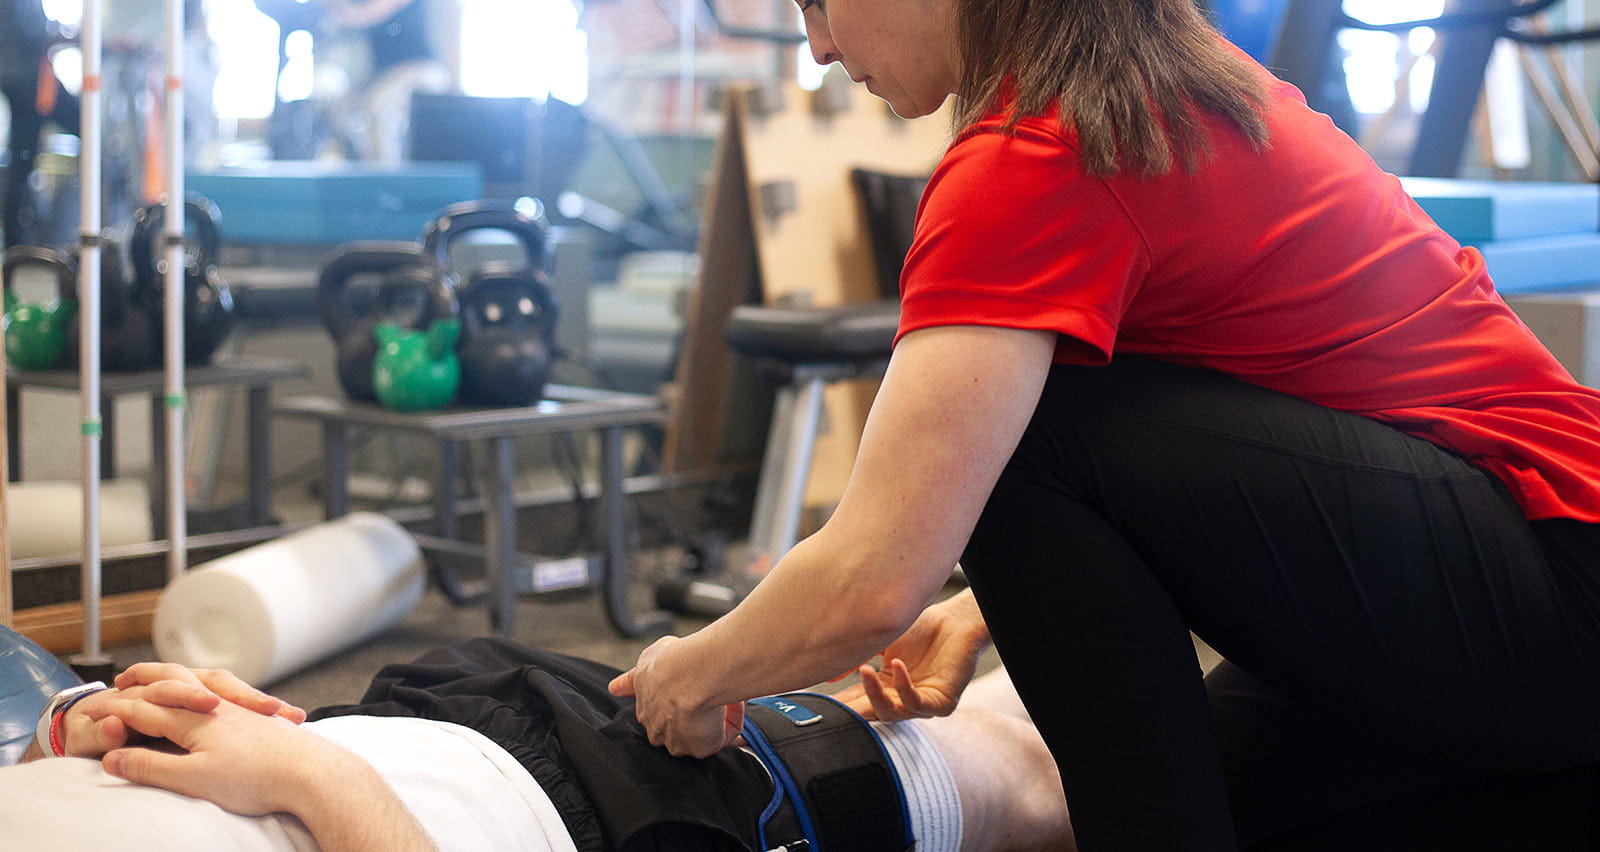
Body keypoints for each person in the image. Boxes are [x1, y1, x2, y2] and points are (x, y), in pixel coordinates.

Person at [609, 0, 1600, 847]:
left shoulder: (1032, 152)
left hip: (1553, 583)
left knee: (1030, 436)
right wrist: (980, 609)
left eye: (818, 1)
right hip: (1514, 582)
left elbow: (872, 577)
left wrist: (688, 673)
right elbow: (1215, 449)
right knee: (1220, 806)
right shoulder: (1154, 90)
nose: (816, 44)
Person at [2, 638, 1075, 851]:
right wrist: (305, 773)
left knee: (917, 698)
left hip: (434, 706)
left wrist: (82, 726)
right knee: (1012, 779)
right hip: (597, 817)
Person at [0, 0, 80, 248]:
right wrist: (56, 31)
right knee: (22, 163)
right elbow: (25, 30)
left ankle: (17, 239)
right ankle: (16, 242)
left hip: (30, 79)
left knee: (22, 162)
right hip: (26, 82)